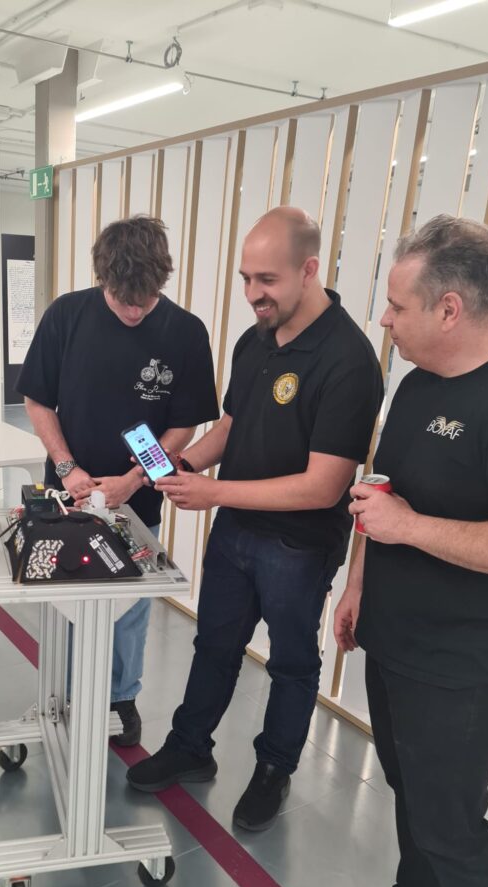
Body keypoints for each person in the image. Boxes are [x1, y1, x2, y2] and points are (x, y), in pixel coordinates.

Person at [127, 207, 384, 831]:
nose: (252, 294)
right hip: (236, 533)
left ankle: (273, 769)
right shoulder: (255, 339)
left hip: (299, 547)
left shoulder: (349, 361)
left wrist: (214, 493)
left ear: (310, 269)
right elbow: (234, 424)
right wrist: (185, 463)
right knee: (214, 643)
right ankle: (191, 746)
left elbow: (323, 487)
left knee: (291, 662)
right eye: (246, 278)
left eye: (266, 280)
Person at [330, 215, 488, 887]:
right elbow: (384, 493)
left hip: (463, 663)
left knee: (455, 831)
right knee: (410, 790)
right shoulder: (416, 382)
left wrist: (408, 528)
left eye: (397, 306)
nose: (384, 319)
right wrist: (358, 581)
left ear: (448, 308)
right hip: (396, 638)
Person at [17, 215, 219, 746]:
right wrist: (68, 467)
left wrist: (133, 480)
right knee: (63, 597)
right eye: (123, 300)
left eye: (145, 301)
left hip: (139, 499)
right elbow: (38, 400)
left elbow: (184, 425)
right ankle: (62, 692)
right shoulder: (67, 316)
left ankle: (120, 697)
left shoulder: (185, 332)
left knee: (130, 605)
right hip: (68, 493)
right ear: (103, 278)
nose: (134, 311)